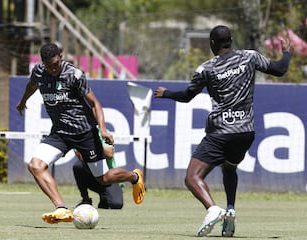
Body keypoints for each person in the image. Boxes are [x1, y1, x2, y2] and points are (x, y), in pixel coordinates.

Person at [154, 25, 292, 237]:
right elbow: (280, 69)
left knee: (192, 177)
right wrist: (287, 53)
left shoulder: (206, 69)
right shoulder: (250, 57)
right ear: (231, 40)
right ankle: (230, 209)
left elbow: (187, 96)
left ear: (212, 43)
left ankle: (212, 209)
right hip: (246, 133)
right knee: (229, 168)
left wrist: (166, 93)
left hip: (221, 133)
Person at [16, 42, 145, 224]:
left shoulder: (74, 75)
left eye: (55, 64)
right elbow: (32, 85)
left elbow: (95, 104)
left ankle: (135, 176)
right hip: (60, 133)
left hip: (85, 133)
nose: (53, 69)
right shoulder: (39, 71)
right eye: (49, 66)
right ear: (43, 62)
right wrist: (23, 101)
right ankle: (61, 208)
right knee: (35, 165)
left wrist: (103, 129)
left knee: (104, 178)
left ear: (61, 56)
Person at [73, 128, 124, 209]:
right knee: (78, 166)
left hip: (109, 176)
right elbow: (81, 157)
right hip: (93, 175)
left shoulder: (102, 132)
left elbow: (109, 154)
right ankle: (85, 199)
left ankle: (104, 196)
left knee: (116, 204)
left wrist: (92, 143)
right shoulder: (77, 135)